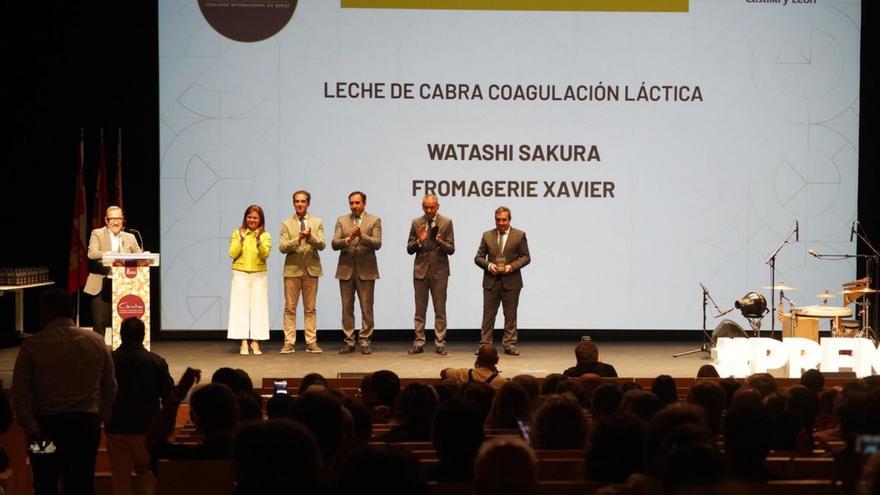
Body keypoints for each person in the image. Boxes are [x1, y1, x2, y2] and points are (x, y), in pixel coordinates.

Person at [11, 288, 117, 495]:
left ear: (46, 313)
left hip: (43, 429)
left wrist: (31, 428)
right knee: (81, 483)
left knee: (44, 482)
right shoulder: (95, 341)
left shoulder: (33, 345)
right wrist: (100, 418)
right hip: (85, 428)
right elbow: (110, 386)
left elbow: (20, 392)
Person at [105, 317, 173, 495]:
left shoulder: (110, 361)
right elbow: (168, 396)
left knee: (120, 479)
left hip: (116, 427)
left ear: (121, 335)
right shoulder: (156, 361)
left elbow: (99, 392)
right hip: (147, 429)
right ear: (143, 335)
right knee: (147, 476)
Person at [474, 206, 530, 356]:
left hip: (511, 281)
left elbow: (526, 257)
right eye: (498, 220)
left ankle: (509, 344)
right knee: (488, 315)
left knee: (510, 314)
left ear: (509, 220)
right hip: (491, 281)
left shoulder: (519, 235)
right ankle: (485, 344)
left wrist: (511, 267)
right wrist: (489, 265)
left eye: (504, 220)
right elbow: (478, 258)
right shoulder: (487, 235)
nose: (501, 223)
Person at [332, 191, 382, 354]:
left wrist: (362, 235)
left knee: (366, 307)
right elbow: (334, 243)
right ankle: (349, 341)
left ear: (364, 204)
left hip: (366, 270)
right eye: (352, 203)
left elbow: (377, 243)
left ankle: (365, 340)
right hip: (346, 269)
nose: (354, 206)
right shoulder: (342, 220)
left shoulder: (374, 220)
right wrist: (347, 239)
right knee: (347, 307)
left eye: (357, 203)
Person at [406, 195, 455, 355]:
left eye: (432, 207)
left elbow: (451, 249)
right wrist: (419, 241)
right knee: (420, 310)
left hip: (439, 271)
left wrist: (441, 242)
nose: (429, 210)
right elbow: (409, 248)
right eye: (426, 207)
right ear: (422, 206)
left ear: (437, 206)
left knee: (440, 309)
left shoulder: (446, 222)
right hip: (420, 271)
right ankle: (419, 342)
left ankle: (440, 343)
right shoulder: (416, 223)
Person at [279, 190, 326, 354]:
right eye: (297, 201)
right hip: (292, 270)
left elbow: (321, 244)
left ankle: (311, 342)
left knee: (310, 309)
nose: (300, 204)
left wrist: (310, 237)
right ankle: (289, 342)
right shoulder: (286, 223)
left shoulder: (317, 222)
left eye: (303, 201)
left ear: (308, 203)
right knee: (290, 308)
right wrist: (297, 239)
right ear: (294, 203)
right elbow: (282, 247)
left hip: (311, 270)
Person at [85, 205, 142, 338]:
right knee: (100, 322)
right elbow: (92, 253)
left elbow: (139, 257)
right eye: (112, 219)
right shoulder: (97, 233)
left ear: (123, 220)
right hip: (101, 283)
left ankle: (123, 355)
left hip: (125, 284)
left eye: (119, 218)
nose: (116, 222)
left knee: (125, 323)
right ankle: (99, 356)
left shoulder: (130, 237)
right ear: (106, 220)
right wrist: (111, 255)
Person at [228, 204, 271, 355]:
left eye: (255, 218)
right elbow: (233, 253)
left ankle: (256, 342)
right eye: (249, 217)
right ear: (246, 218)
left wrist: (259, 240)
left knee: (259, 308)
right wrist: (240, 238)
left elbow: (265, 254)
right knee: (240, 307)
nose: (252, 220)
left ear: (260, 220)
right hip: (240, 272)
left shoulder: (265, 235)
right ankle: (243, 341)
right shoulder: (237, 233)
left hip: (259, 274)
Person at [441, 344, 508, 390]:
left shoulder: (463, 373)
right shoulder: (501, 382)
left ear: (477, 360)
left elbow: (443, 372)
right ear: (497, 360)